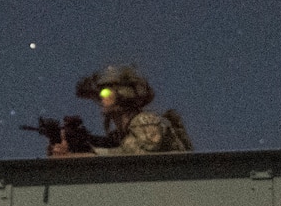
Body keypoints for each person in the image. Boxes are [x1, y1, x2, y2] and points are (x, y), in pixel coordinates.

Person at [53, 64, 194, 155]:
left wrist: (89, 154)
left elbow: (138, 155)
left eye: (105, 93)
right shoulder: (119, 135)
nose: (101, 98)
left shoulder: (146, 121)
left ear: (123, 95)